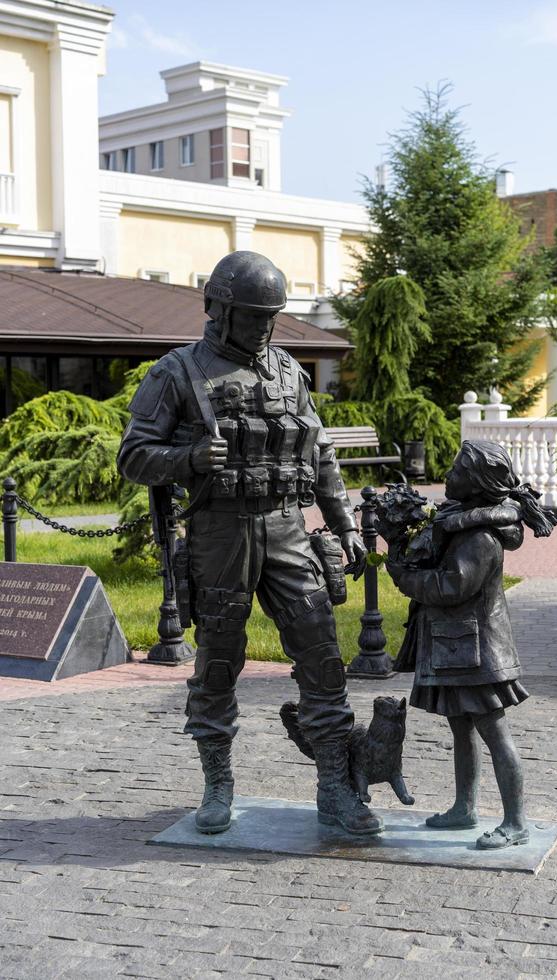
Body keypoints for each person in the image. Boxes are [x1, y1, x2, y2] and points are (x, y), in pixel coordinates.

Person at [117, 250, 382, 837]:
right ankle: (217, 785)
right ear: (219, 309)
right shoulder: (176, 373)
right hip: (221, 534)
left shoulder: (289, 370)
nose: (265, 328)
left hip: (288, 528)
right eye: (253, 316)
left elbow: (321, 455)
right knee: (218, 663)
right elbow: (133, 455)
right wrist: (186, 457)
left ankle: (335, 789)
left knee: (322, 659)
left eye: (272, 317)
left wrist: (342, 526)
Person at [386, 440, 556, 849]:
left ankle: (516, 822)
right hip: (456, 645)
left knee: (494, 733)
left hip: (478, 649)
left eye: (458, 471)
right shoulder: (458, 522)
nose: (448, 476)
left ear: (476, 483)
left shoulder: (480, 537)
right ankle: (464, 807)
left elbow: (450, 587)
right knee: (461, 728)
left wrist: (402, 578)